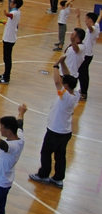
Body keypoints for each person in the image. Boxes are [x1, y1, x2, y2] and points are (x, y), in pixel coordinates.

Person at [29, 54, 80, 188]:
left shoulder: (65, 97)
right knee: (60, 155)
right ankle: (58, 178)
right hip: (65, 132)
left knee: (46, 152)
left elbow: (57, 82)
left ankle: (44, 174)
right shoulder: (75, 95)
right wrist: (63, 64)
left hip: (55, 131)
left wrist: (56, 65)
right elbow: (68, 78)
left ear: (66, 86)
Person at [0, 104, 27, 214]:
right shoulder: (20, 137)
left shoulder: (12, 146)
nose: (0, 129)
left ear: (8, 131)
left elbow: (3, 145)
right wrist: (21, 112)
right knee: (0, 208)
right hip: (5, 182)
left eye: (2, 127)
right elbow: (20, 123)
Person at [0, 0, 22, 85]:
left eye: (12, 2)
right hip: (9, 37)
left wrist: (6, 14)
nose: (11, 3)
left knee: (7, 58)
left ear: (15, 4)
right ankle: (5, 74)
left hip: (9, 39)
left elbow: (10, 16)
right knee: (6, 58)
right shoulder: (17, 12)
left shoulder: (14, 12)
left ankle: (6, 77)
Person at [78, 11, 98, 100]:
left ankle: (84, 93)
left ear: (90, 20)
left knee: (83, 74)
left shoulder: (94, 29)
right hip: (85, 54)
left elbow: (91, 28)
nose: (85, 20)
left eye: (86, 19)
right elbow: (80, 31)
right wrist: (77, 17)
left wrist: (88, 24)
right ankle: (82, 89)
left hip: (87, 56)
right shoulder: (96, 25)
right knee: (81, 73)